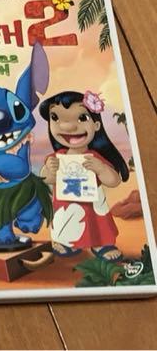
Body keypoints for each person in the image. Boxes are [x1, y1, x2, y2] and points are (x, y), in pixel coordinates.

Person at [39, 90, 129, 260]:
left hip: (92, 204)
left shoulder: (95, 157)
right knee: (64, 223)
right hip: (65, 203)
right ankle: (65, 242)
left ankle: (101, 244)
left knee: (97, 224)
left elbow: (113, 181)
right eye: (55, 118)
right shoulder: (57, 157)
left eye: (82, 118)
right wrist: (49, 169)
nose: (67, 127)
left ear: (96, 125)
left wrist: (101, 169)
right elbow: (45, 179)